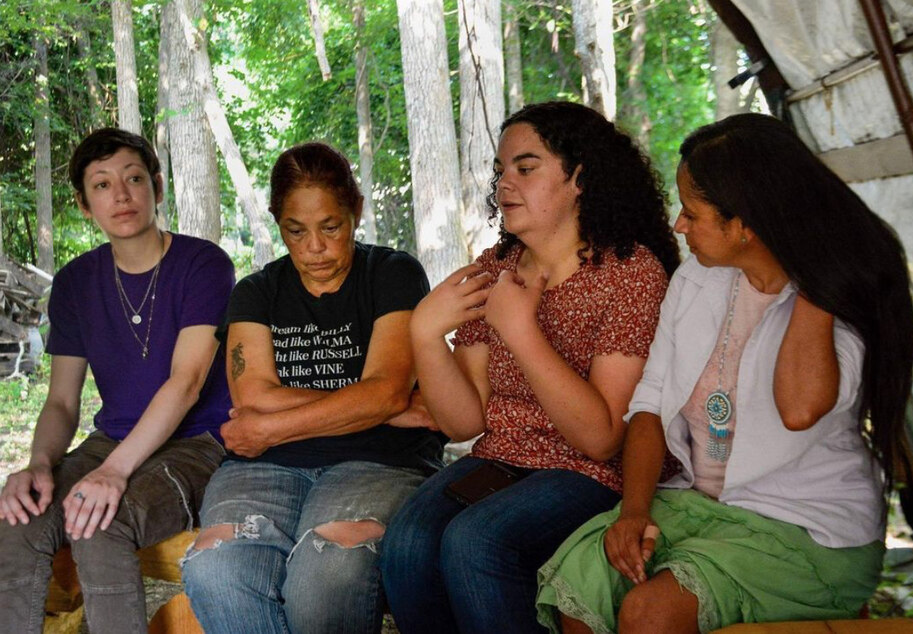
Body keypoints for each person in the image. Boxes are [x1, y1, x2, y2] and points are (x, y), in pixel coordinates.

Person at [535, 113, 913, 634]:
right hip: (698, 506)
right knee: (579, 592)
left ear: (748, 224)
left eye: (692, 213)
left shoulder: (838, 299)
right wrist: (634, 512)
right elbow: (648, 405)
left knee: (649, 614)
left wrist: (815, 272)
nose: (678, 225)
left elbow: (800, 408)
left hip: (807, 531)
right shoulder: (697, 279)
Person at [380, 101, 681, 634]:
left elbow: (602, 438)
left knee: (477, 540)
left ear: (580, 179)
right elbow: (464, 423)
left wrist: (520, 331)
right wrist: (426, 334)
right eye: (500, 171)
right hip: (503, 459)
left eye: (525, 167)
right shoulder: (496, 268)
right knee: (407, 540)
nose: (504, 185)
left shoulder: (630, 272)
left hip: (591, 474)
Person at [180, 141, 442, 633]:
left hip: (377, 460)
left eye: (331, 227)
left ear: (356, 211)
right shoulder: (256, 292)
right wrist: (386, 406)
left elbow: (384, 387)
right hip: (265, 468)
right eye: (295, 232)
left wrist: (379, 405)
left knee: (327, 570)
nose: (314, 248)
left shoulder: (393, 273)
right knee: (217, 566)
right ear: (278, 222)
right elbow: (254, 396)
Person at [0, 128, 234, 633]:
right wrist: (39, 465)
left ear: (157, 188)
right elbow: (62, 401)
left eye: (133, 178)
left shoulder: (202, 264)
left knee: (100, 521)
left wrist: (114, 472)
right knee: (18, 518)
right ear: (86, 205)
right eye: (102, 185)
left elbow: (188, 381)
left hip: (197, 443)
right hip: (113, 439)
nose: (121, 195)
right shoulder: (75, 282)